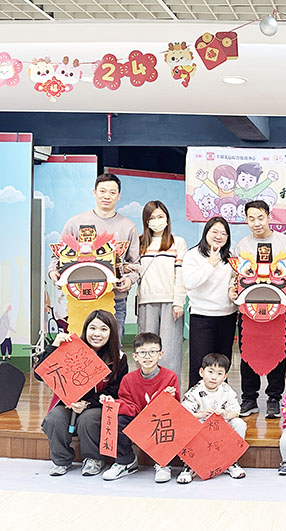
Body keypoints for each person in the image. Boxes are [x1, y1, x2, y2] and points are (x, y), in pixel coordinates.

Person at [232, 200, 286, 419]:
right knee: (248, 353)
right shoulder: (242, 245)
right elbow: (235, 274)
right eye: (251, 219)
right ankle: (249, 398)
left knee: (278, 352)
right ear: (246, 220)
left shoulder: (285, 242)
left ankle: (274, 397)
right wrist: (231, 290)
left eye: (260, 217)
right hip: (249, 310)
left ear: (269, 217)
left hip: (277, 309)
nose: (256, 223)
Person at [48, 173, 140, 341]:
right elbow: (58, 256)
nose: (107, 196)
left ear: (119, 195)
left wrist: (129, 279)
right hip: (79, 300)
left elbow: (135, 264)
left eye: (112, 192)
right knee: (79, 346)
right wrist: (53, 272)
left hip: (115, 299)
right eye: (102, 191)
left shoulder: (128, 227)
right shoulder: (75, 223)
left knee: (112, 348)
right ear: (94, 192)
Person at [39, 310, 128, 477]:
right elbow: (40, 375)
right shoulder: (71, 348)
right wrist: (54, 346)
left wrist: (87, 403)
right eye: (92, 328)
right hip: (68, 403)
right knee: (54, 418)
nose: (97, 334)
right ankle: (61, 460)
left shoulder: (118, 357)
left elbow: (115, 390)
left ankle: (94, 459)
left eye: (103, 329)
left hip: (96, 404)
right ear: (86, 329)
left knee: (88, 419)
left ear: (112, 332)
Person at [101, 332, 179, 483]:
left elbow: (174, 409)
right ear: (135, 356)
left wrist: (166, 398)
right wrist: (114, 403)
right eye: (142, 352)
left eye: (153, 352)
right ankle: (126, 461)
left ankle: (163, 463)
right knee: (119, 419)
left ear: (160, 354)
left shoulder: (170, 377)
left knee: (168, 421)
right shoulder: (128, 379)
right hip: (138, 420)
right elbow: (131, 406)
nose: (148, 357)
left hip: (159, 420)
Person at [134, 200, 187, 385]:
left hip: (170, 303)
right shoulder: (139, 243)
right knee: (146, 351)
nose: (157, 221)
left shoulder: (177, 242)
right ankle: (146, 391)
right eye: (152, 218)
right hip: (146, 302)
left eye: (160, 216)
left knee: (170, 352)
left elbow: (180, 274)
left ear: (167, 218)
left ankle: (170, 393)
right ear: (146, 221)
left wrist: (179, 302)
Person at [182, 216, 237, 389]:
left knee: (223, 362)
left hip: (227, 315)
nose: (219, 236)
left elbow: (234, 279)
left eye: (224, 233)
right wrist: (210, 264)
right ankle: (196, 398)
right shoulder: (193, 255)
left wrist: (232, 288)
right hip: (202, 316)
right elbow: (190, 282)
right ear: (206, 232)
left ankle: (221, 398)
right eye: (215, 232)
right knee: (201, 362)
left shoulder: (230, 257)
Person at [177, 353, 248, 483]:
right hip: (201, 428)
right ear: (201, 372)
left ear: (225, 376)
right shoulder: (194, 391)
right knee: (187, 426)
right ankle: (189, 466)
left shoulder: (227, 390)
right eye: (210, 372)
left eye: (219, 373)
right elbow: (184, 414)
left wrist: (226, 414)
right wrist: (201, 414)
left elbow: (236, 411)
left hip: (221, 428)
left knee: (239, 423)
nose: (214, 377)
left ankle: (231, 462)